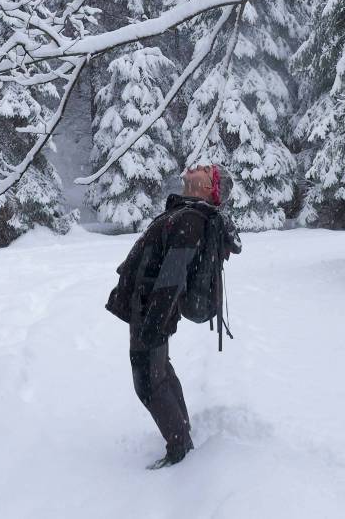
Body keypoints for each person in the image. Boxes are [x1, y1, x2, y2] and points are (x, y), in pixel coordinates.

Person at [107, 163, 241, 469]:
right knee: (160, 372)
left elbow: (172, 278)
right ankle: (182, 432)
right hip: (150, 308)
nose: (199, 166)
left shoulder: (190, 221)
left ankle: (180, 449)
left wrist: (153, 324)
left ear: (210, 189)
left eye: (209, 171)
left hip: (151, 311)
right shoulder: (185, 214)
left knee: (148, 382)